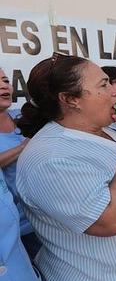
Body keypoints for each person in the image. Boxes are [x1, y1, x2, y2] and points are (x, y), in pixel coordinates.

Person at [15, 53, 116, 281]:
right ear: (70, 99)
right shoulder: (50, 158)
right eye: (104, 84)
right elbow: (111, 221)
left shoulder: (114, 129)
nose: (115, 91)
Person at [0, 68, 41, 260]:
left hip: (46, 219)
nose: (4, 86)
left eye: (5, 80)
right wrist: (23, 148)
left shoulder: (21, 117)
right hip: (20, 230)